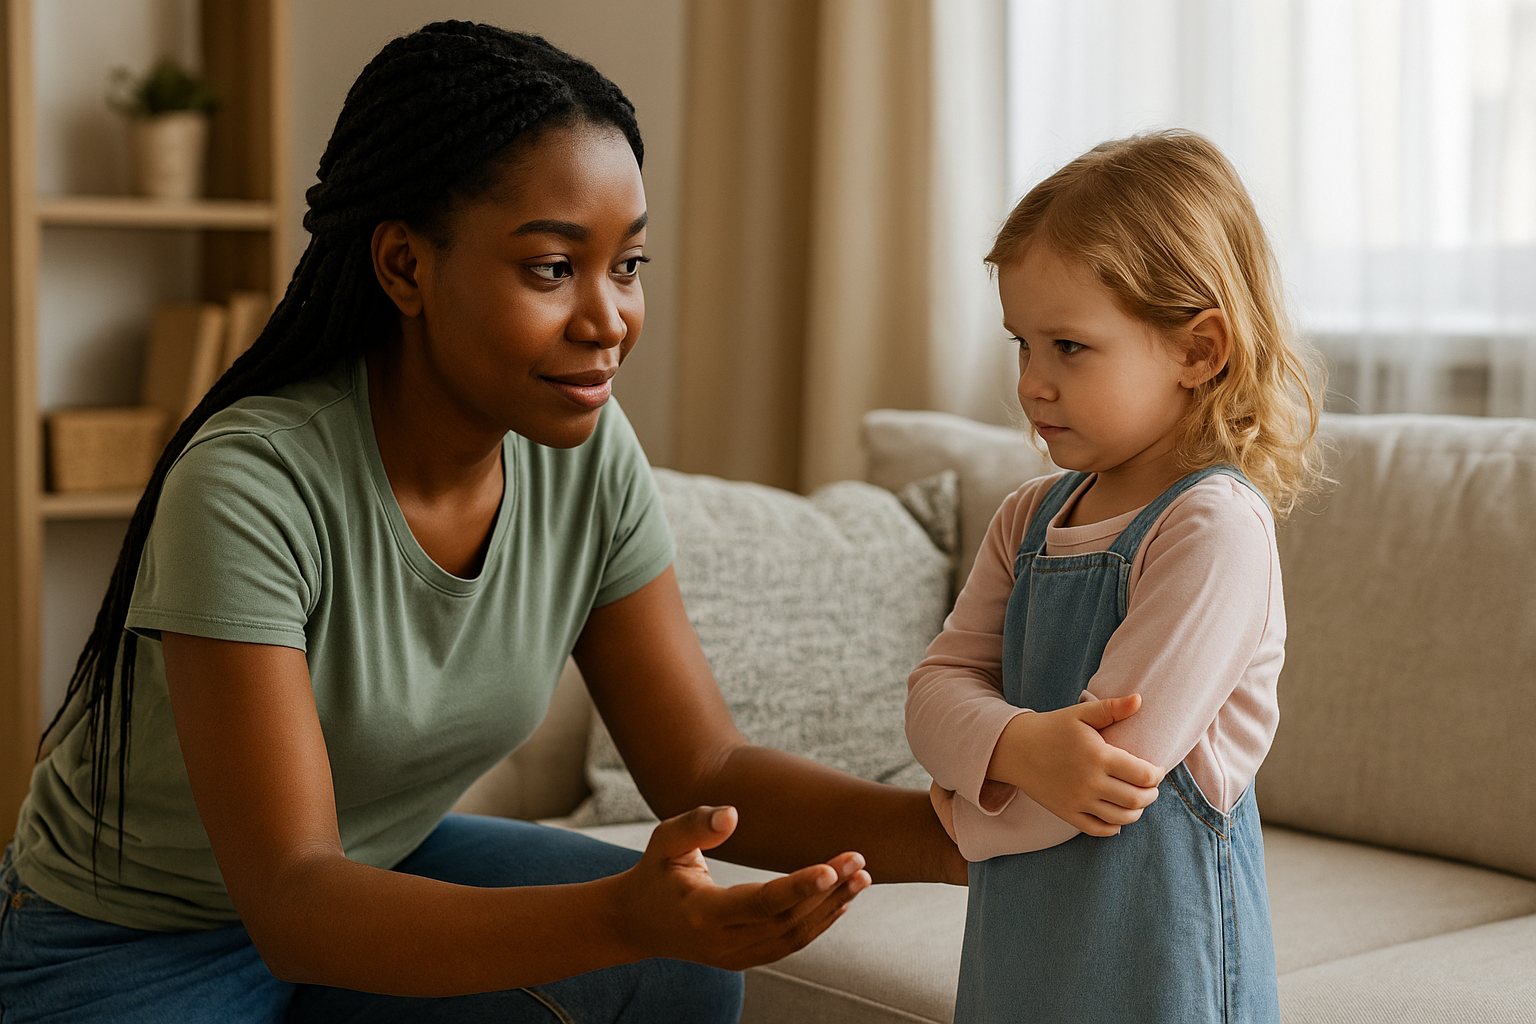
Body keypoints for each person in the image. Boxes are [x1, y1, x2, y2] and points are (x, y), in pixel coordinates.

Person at [0, 22, 991, 1023]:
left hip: (378, 865)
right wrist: (622, 914)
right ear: (404, 267)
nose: (609, 317)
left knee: (680, 971)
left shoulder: (588, 455)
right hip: (135, 937)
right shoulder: (251, 485)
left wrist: (951, 832)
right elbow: (295, 898)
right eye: (554, 267)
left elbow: (702, 766)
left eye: (629, 263)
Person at [905, 130, 1323, 1024]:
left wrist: (958, 812)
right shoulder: (1028, 517)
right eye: (1023, 345)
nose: (1031, 385)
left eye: (1069, 347)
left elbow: (1112, 777)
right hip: (1021, 942)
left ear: (1199, 350)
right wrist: (1017, 750)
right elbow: (932, 693)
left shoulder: (1212, 527)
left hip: (1161, 962)